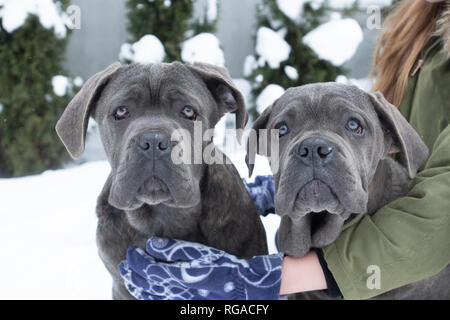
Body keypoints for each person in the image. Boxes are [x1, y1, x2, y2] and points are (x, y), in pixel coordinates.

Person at [118, 0, 450, 300]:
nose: (314, 149)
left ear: (395, 137)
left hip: (406, 254)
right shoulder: (419, 20)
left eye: (352, 125)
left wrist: (269, 279)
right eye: (283, 130)